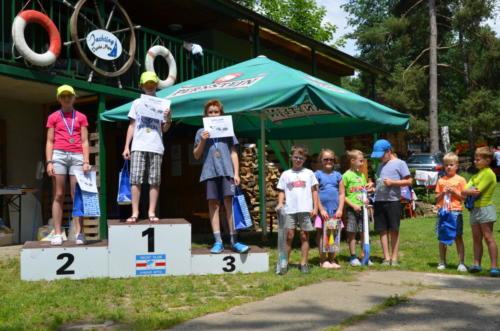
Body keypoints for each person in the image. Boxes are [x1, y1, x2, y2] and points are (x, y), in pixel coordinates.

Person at [193, 99, 249, 254]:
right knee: (214, 205)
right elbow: (196, 155)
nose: (213, 114)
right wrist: (203, 141)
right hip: (209, 172)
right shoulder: (200, 132)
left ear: (221, 113)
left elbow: (233, 152)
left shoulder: (227, 129)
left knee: (229, 204)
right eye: (210, 112)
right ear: (205, 115)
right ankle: (218, 242)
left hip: (226, 172)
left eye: (216, 112)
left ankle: (234, 241)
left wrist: (236, 173)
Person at [122, 72, 172, 223]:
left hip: (156, 145)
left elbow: (165, 129)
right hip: (138, 145)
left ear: (156, 85)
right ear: (141, 86)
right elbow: (132, 125)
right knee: (135, 179)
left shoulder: (164, 103)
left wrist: (169, 118)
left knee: (154, 180)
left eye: (152, 83)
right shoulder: (137, 102)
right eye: (146, 84)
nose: (150, 86)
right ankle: (135, 212)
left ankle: (151, 211)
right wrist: (126, 146)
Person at [45, 85, 90, 245]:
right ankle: (57, 233)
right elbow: (50, 141)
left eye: (69, 95)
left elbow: (85, 141)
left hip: (77, 156)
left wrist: (86, 161)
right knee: (58, 194)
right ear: (59, 99)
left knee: (76, 194)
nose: (66, 98)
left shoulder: (81, 117)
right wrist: (49, 162)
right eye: (63, 96)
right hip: (59, 156)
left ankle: (79, 233)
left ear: (74, 97)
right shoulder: (53, 117)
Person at [276, 145, 319, 274]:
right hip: (290, 210)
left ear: (305, 159)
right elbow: (282, 191)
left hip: (305, 209)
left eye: (301, 157)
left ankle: (304, 263)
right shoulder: (286, 174)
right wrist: (280, 203)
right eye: (296, 157)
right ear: (291, 157)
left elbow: (315, 191)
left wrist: (315, 207)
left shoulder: (309, 173)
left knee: (304, 236)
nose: (298, 160)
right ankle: (284, 263)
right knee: (289, 236)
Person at [371, 139, 412, 266]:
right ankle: (386, 257)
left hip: (393, 201)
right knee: (382, 230)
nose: (379, 158)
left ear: (389, 151)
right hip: (379, 200)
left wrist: (393, 183)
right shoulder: (380, 164)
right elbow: (379, 180)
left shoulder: (400, 163)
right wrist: (372, 185)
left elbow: (409, 181)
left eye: (381, 155)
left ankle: (394, 258)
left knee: (394, 230)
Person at [463, 147, 498, 277]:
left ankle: (494, 266)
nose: (475, 161)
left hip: (485, 208)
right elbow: (464, 190)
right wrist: (468, 190)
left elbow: (476, 191)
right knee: (476, 238)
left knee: (488, 238)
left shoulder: (488, 173)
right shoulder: (476, 175)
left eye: (478, 159)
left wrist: (468, 190)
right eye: (475, 159)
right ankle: (477, 264)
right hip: (474, 209)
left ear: (487, 160)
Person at [435, 152, 467, 272]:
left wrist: (454, 192)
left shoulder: (461, 180)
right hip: (443, 211)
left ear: (457, 166)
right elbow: (436, 198)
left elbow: (464, 198)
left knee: (458, 237)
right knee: (442, 238)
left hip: (455, 211)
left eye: (451, 165)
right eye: (446, 165)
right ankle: (442, 261)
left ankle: (461, 263)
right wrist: (443, 192)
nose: (448, 167)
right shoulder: (441, 180)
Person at [343, 150, 373, 267]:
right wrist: (353, 205)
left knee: (364, 233)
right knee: (352, 233)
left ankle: (366, 256)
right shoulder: (346, 176)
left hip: (363, 209)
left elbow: (363, 192)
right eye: (360, 161)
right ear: (352, 161)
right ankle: (353, 256)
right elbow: (343, 195)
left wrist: (367, 198)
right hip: (352, 209)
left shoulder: (361, 175)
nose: (362, 163)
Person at [314, 149, 344, 268]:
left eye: (331, 159)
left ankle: (332, 259)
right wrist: (321, 209)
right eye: (326, 159)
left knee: (333, 234)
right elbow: (315, 192)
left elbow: (342, 193)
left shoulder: (338, 175)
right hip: (323, 211)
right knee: (322, 234)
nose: (329, 161)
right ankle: (323, 260)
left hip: (334, 211)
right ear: (321, 161)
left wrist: (340, 209)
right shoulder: (317, 174)